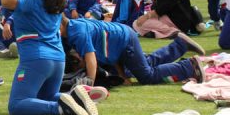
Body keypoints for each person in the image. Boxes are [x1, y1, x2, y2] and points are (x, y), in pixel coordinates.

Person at [0, 0, 97, 115]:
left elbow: (7, 0)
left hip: (36, 59)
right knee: (46, 95)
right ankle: (75, 100)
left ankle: (61, 108)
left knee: (17, 104)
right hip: (58, 59)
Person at [61, 18, 204, 86]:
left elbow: (91, 60)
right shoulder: (74, 28)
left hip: (125, 39)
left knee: (147, 76)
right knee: (143, 65)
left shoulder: (77, 33)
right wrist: (122, 76)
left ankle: (189, 66)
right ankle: (180, 45)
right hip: (121, 38)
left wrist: (89, 85)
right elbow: (112, 54)